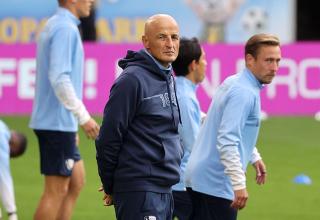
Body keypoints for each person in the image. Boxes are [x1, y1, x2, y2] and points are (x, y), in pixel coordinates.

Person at [184, 33, 281, 220]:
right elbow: (227, 140)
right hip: (215, 183)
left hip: (200, 178)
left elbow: (225, 126)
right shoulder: (244, 92)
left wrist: (253, 155)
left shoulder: (235, 81)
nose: (275, 67)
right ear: (249, 60)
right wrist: (239, 183)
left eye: (277, 61)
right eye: (268, 60)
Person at [95, 14, 182, 220]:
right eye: (162, 37)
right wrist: (110, 184)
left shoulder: (168, 76)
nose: (170, 44)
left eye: (175, 37)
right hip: (141, 190)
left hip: (165, 188)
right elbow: (108, 138)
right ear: (146, 42)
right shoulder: (131, 80)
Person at [29, 0, 99, 220]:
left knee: (75, 182)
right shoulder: (64, 28)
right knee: (56, 191)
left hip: (59, 122)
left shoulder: (58, 24)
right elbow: (60, 79)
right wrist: (83, 117)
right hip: (55, 123)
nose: (92, 2)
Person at [171, 37, 207, 220]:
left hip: (177, 180)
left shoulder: (180, 89)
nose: (206, 64)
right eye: (203, 59)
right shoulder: (185, 97)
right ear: (193, 65)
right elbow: (193, 144)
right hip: (182, 182)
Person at [0, 119, 27, 220]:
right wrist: (12, 213)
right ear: (13, 148)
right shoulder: (2, 138)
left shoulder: (2, 125)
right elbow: (4, 179)